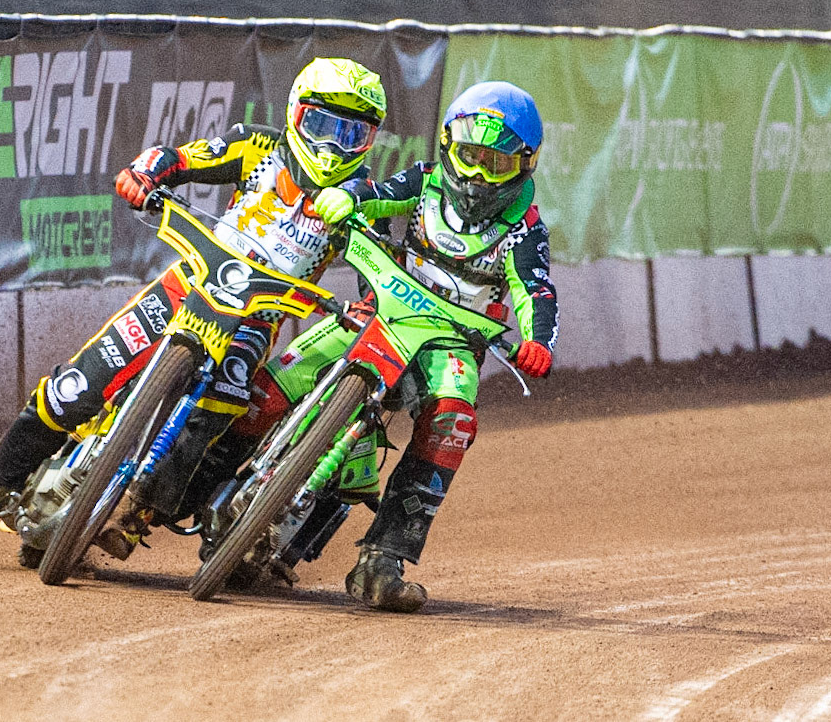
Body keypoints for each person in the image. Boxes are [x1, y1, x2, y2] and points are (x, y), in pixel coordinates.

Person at [0, 58, 388, 562]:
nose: (333, 145)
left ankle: (137, 512)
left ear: (370, 142)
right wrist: (145, 173)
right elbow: (179, 157)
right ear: (295, 114)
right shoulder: (258, 147)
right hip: (192, 281)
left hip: (259, 320)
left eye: (354, 134)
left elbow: (382, 270)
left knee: (215, 413)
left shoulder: (364, 197)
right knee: (82, 383)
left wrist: (371, 307)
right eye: (323, 126)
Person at [197, 80, 559, 612]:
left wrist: (539, 340)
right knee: (268, 389)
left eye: (496, 165)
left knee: (454, 418)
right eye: (470, 157)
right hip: (380, 311)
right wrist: (348, 197)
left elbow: (535, 290)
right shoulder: (427, 182)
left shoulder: (526, 228)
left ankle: (383, 559)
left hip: (452, 341)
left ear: (524, 167)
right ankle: (189, 491)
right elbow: (380, 193)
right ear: (447, 145)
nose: (478, 175)